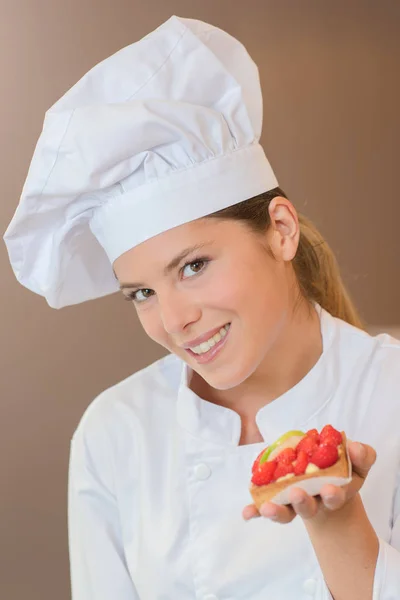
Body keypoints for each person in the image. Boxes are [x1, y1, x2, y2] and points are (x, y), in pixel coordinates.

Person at [4, 15, 400, 600]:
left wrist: (337, 525)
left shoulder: (391, 392)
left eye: (193, 266)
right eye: (142, 292)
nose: (173, 320)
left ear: (281, 230)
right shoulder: (116, 432)